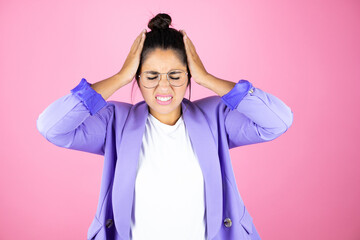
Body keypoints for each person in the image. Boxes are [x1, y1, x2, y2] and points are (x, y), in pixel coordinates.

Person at [36, 13, 293, 240]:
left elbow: (278, 121)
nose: (164, 87)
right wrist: (119, 78)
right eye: (151, 76)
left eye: (175, 75)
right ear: (137, 76)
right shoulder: (115, 121)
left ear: (188, 75)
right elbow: (51, 127)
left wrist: (207, 78)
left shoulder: (215, 117)